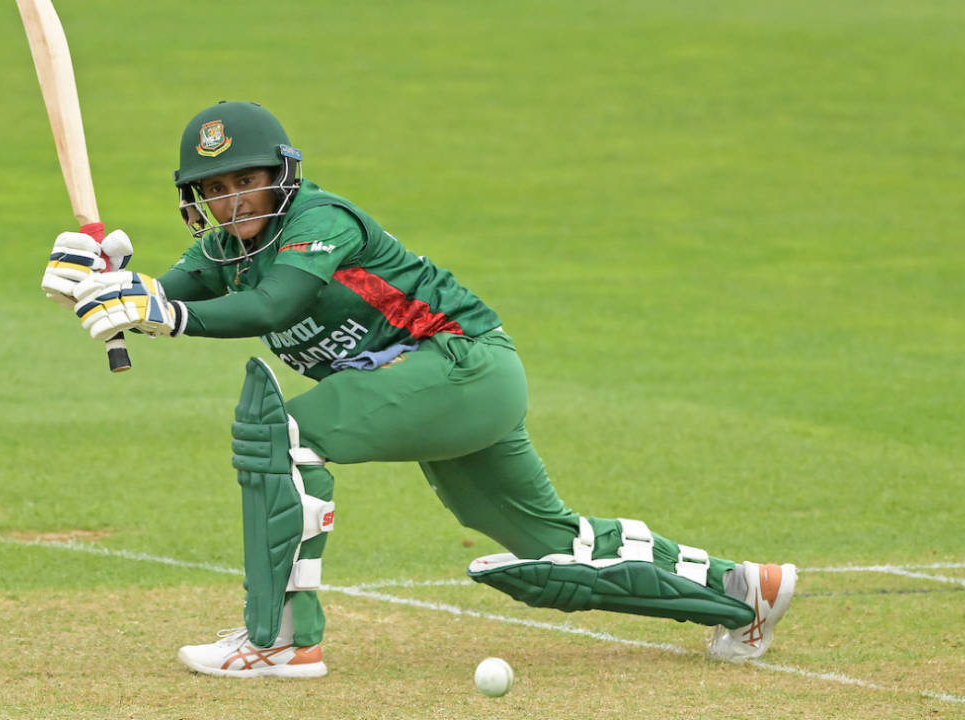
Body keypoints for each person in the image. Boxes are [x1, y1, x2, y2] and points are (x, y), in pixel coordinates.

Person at [41, 101, 797, 678]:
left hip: (460, 366)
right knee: (549, 553)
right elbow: (161, 299)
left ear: (281, 175)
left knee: (282, 434)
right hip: (440, 387)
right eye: (218, 188)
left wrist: (159, 311)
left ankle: (277, 642)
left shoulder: (319, 221)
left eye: (249, 180)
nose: (236, 200)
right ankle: (740, 592)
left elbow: (270, 307)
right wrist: (103, 282)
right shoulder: (222, 248)